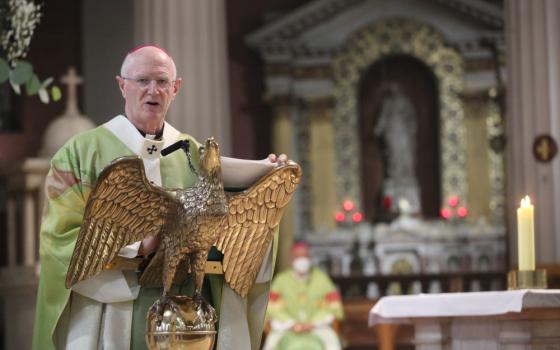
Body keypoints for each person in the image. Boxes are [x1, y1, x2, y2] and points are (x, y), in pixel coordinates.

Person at [32, 44, 286, 350]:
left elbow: (229, 213)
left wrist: (267, 175)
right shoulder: (80, 154)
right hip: (110, 313)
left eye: (162, 82)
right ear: (121, 85)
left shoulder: (193, 152)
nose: (153, 90)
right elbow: (58, 237)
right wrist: (137, 245)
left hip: (187, 318)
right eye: (142, 80)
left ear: (175, 88)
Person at [263, 242, 344, 350]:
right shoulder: (281, 281)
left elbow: (334, 307)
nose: (302, 260)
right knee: (270, 346)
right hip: (286, 327)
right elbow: (271, 309)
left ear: (310, 258)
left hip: (318, 327)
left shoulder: (322, 279)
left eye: (305, 256)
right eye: (298, 257)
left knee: (333, 346)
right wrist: (292, 324)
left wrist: (312, 324)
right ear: (291, 259)